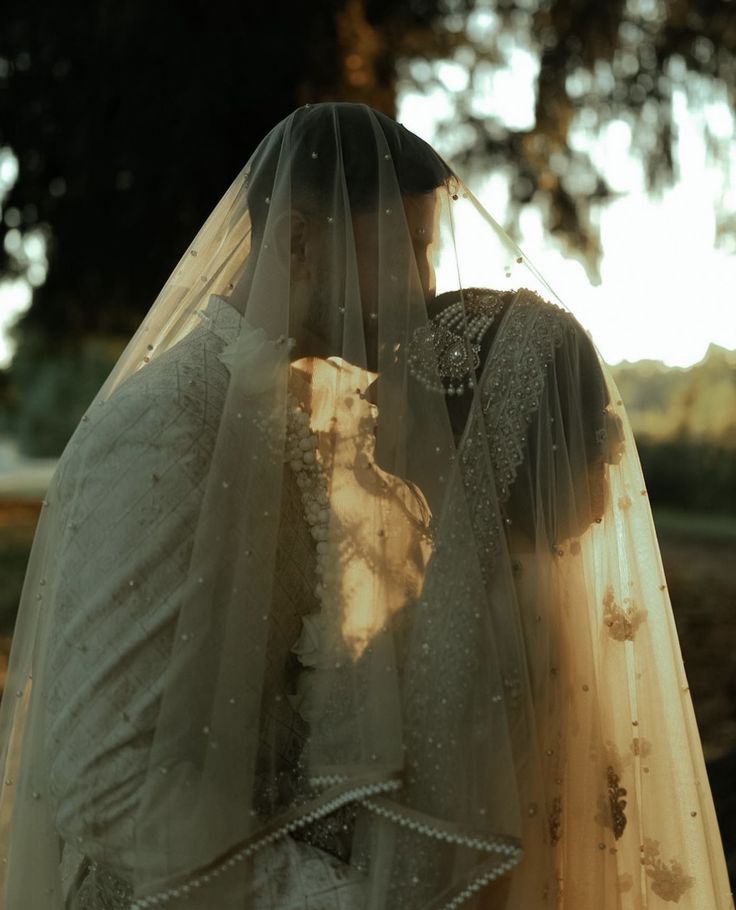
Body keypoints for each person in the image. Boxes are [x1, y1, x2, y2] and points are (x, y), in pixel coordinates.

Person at [0, 102, 731, 910]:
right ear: (303, 243)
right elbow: (107, 775)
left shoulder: (313, 418)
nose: (424, 289)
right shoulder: (167, 425)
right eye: (412, 251)